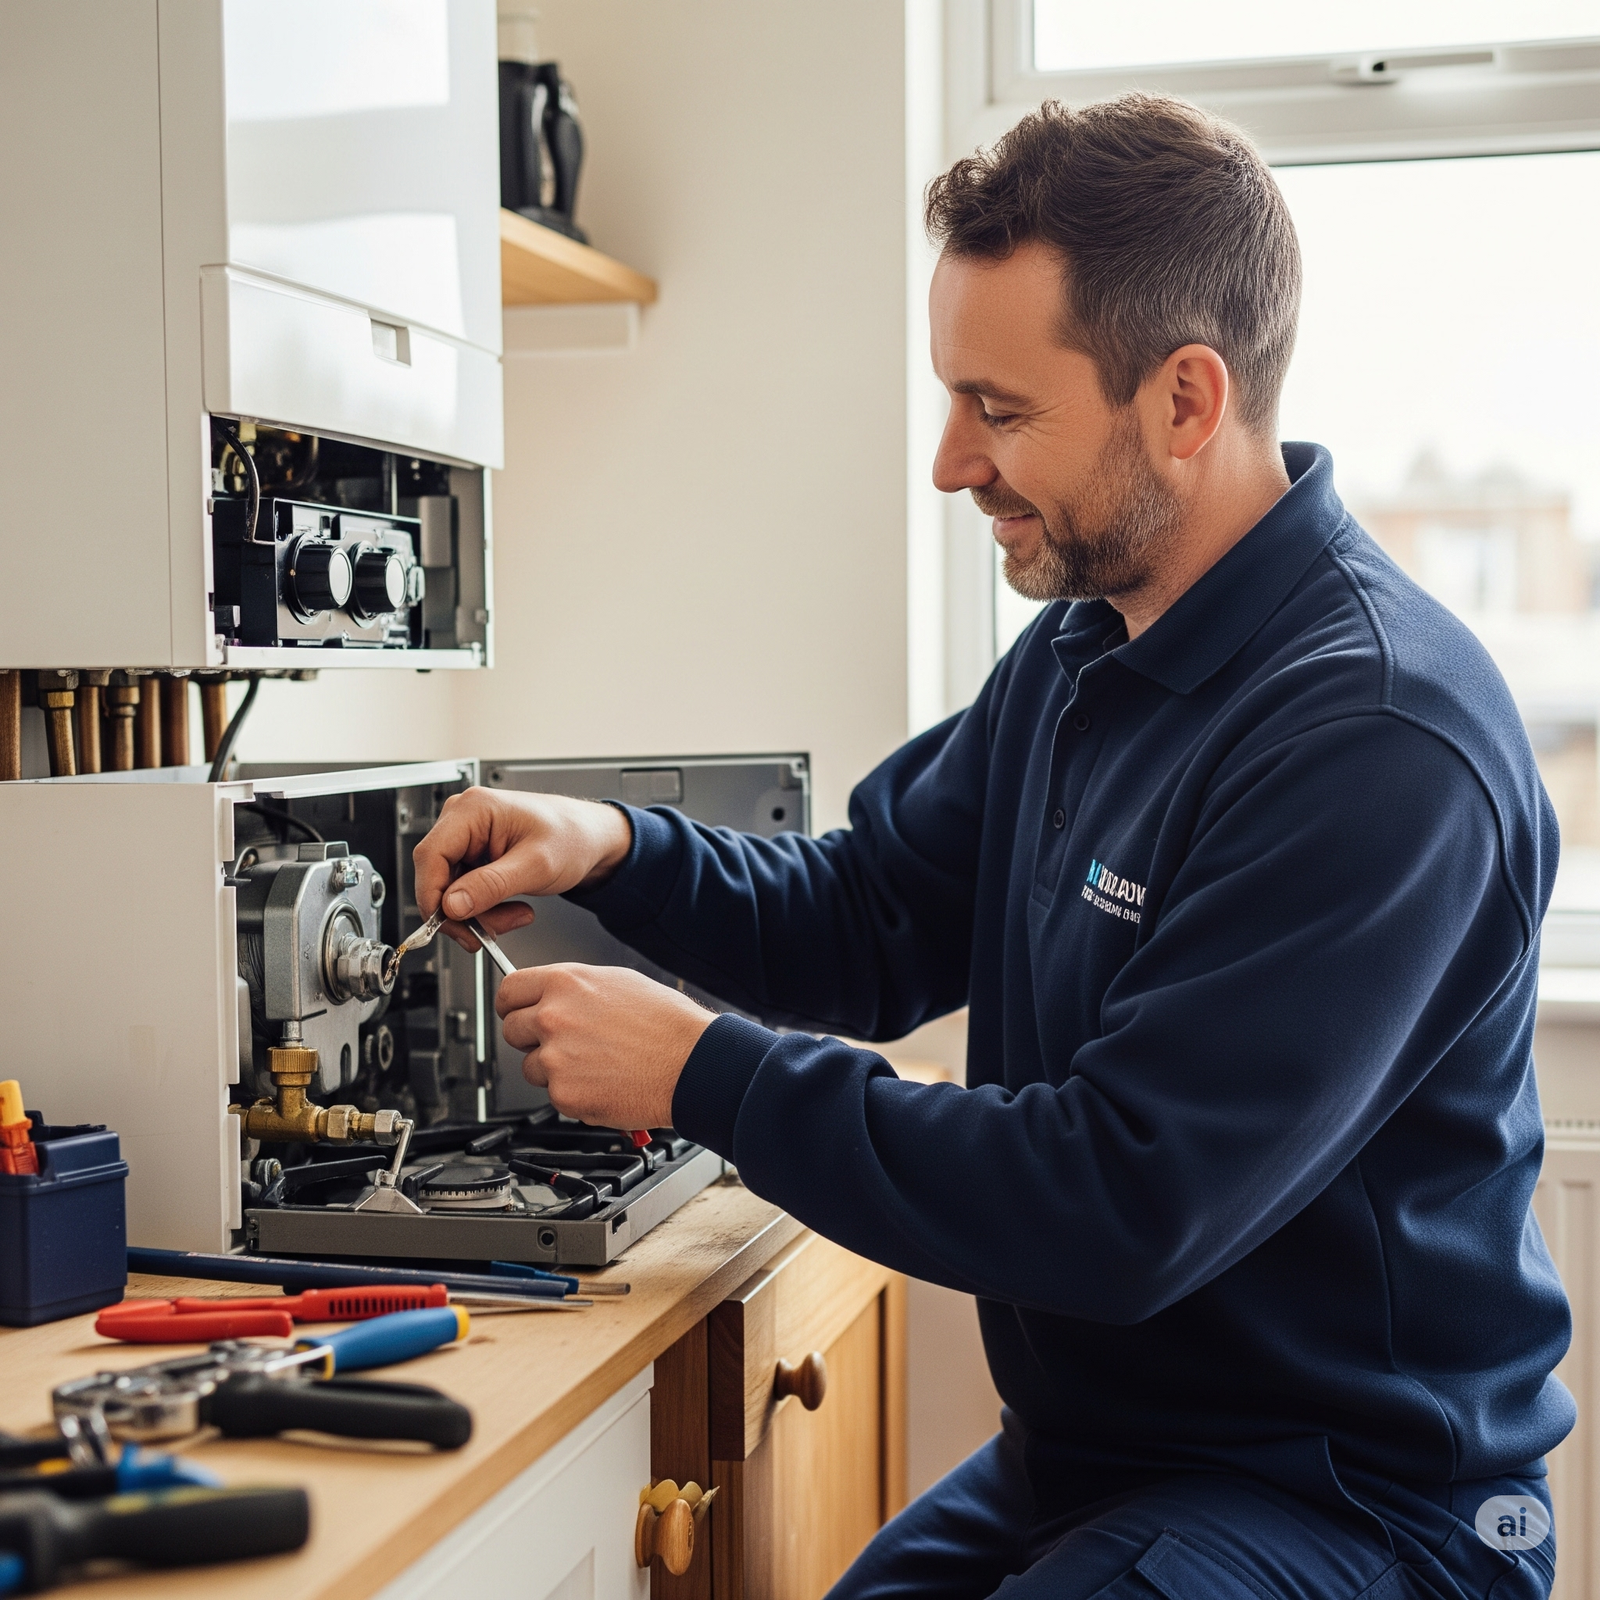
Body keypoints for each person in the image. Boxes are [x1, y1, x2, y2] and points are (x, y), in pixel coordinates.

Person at [413, 95, 1571, 1599]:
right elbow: (873, 914)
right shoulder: (1091, 651)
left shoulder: (1376, 739)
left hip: (1356, 1508)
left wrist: (706, 1073)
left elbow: (1119, 1199)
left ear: (1186, 401)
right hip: (1101, 1466)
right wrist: (615, 847)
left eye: (1001, 409)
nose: (953, 463)